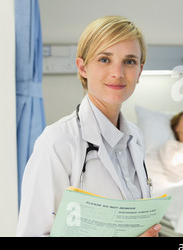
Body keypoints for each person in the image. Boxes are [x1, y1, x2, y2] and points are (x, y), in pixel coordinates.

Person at [17, 16, 160, 237]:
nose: (118, 73)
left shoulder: (135, 137)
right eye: (104, 59)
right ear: (83, 67)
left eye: (129, 61)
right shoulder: (58, 141)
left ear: (140, 70)